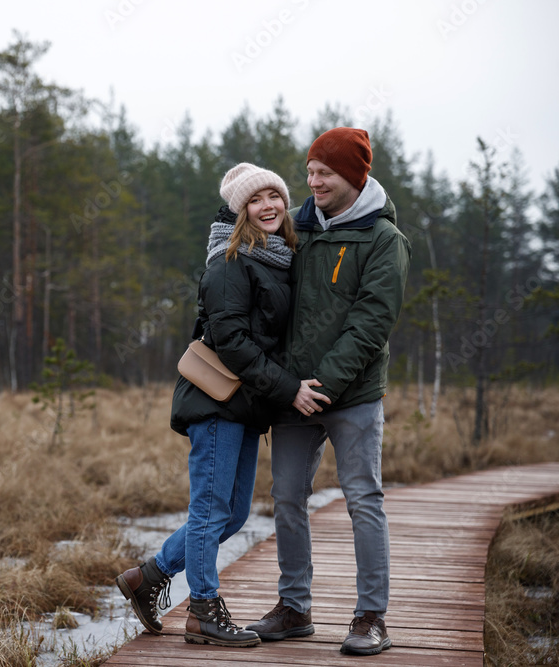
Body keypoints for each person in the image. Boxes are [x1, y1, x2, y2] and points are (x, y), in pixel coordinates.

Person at [116, 163, 330, 647]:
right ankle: (203, 611)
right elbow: (231, 341)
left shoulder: (276, 257)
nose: (270, 205)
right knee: (211, 510)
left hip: (245, 406)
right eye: (257, 200)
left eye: (275, 195)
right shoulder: (230, 262)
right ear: (241, 211)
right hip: (217, 404)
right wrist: (288, 388)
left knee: (230, 515)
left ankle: (148, 577)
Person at [244, 127, 412, 656]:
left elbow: (371, 323)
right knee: (288, 498)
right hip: (294, 395)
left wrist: (325, 386)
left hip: (354, 395)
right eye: (310, 171)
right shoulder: (297, 229)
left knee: (364, 499)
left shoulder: (384, 240)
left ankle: (371, 617)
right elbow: (241, 245)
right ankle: (295, 608)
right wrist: (290, 386)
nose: (311, 182)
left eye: (323, 173)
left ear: (354, 177)